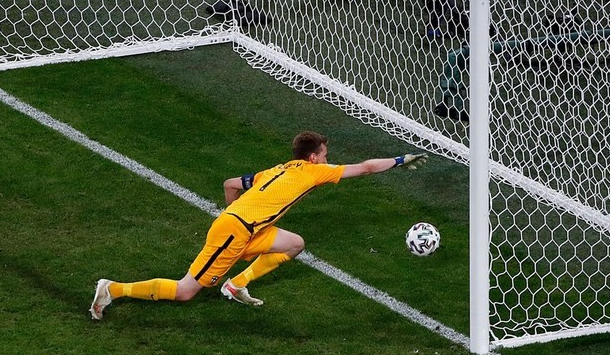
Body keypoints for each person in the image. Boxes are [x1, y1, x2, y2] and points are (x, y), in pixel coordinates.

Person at [90, 131, 427, 319]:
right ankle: (112, 289)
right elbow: (366, 168)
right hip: (234, 232)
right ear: (313, 158)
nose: (328, 160)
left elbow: (230, 184)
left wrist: (233, 214)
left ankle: (235, 285)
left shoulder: (278, 169)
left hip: (246, 228)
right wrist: (400, 160)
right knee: (186, 291)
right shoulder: (315, 172)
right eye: (325, 155)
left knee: (295, 244)